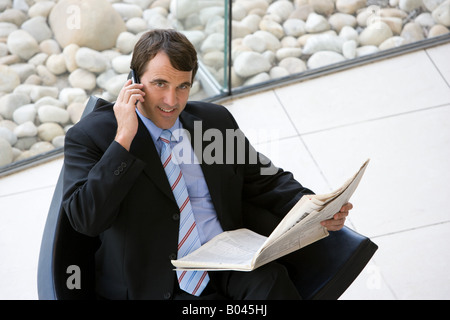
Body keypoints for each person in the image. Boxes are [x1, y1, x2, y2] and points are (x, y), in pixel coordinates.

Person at [62, 29, 353, 300]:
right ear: (134, 81)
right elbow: (86, 220)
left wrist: (316, 208)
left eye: (183, 86)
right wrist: (123, 140)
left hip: (229, 260)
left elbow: (264, 178)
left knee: (272, 283)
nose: (171, 101)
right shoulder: (93, 137)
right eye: (160, 84)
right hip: (156, 281)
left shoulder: (212, 122)